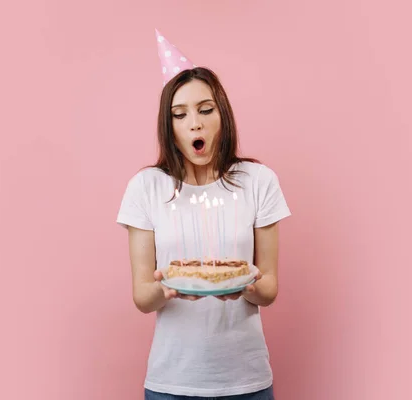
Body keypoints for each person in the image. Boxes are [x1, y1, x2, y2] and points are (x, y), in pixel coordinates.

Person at [116, 30, 291, 400]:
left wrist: (247, 284)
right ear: (171, 126)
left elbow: (269, 288)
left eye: (205, 110)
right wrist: (169, 287)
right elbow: (143, 297)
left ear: (222, 116)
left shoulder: (258, 181)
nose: (194, 123)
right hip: (172, 383)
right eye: (180, 114)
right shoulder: (145, 188)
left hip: (247, 380)